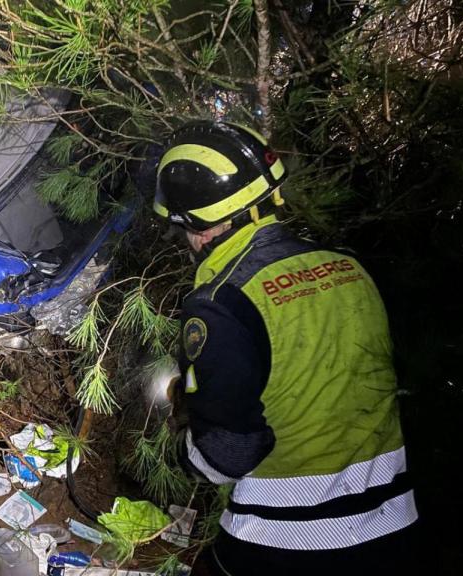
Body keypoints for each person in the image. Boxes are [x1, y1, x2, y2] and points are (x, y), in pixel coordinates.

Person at [153, 121, 418, 575]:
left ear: (197, 224)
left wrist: (183, 435)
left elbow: (228, 456)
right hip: (394, 524)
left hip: (290, 536)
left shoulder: (221, 304)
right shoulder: (348, 267)